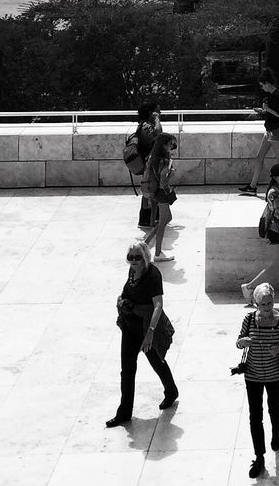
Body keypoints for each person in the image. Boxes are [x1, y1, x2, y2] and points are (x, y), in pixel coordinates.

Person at [107, 241, 178, 426]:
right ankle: (124, 412)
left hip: (146, 326)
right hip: (130, 326)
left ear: (145, 257)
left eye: (137, 257)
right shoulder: (132, 271)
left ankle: (171, 391)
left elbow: (158, 305)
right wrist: (121, 301)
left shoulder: (153, 275)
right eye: (130, 257)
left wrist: (150, 334)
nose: (133, 261)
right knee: (127, 369)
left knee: (156, 361)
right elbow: (127, 290)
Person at [236, 282, 279, 479]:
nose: (268, 308)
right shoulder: (249, 319)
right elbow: (239, 341)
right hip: (253, 376)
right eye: (263, 304)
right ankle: (259, 456)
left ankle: (276, 435)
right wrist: (242, 342)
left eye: (270, 303)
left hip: (275, 375)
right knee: (255, 416)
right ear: (256, 304)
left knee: (275, 409)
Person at [243, 165, 279, 302]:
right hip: (277, 231)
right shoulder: (273, 193)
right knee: (277, 262)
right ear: (275, 177)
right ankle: (250, 286)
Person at [241, 70, 279, 196]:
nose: (262, 88)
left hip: (276, 132)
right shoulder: (273, 96)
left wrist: (267, 109)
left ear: (267, 83)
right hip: (270, 131)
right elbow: (273, 113)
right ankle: (252, 186)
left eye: (262, 85)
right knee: (259, 157)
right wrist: (263, 111)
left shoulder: (277, 95)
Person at [142, 133, 178, 262]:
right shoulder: (164, 159)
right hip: (161, 192)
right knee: (163, 222)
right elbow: (163, 180)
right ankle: (157, 253)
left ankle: (145, 243)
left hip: (154, 190)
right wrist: (171, 175)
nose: (171, 147)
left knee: (167, 218)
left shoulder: (153, 157)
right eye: (170, 144)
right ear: (164, 145)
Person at [134, 103, 162, 230]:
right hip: (148, 163)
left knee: (152, 189)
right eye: (156, 111)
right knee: (149, 189)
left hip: (152, 162)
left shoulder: (146, 125)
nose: (159, 113)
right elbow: (157, 133)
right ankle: (146, 219)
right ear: (151, 113)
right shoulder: (145, 126)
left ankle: (154, 217)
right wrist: (157, 119)